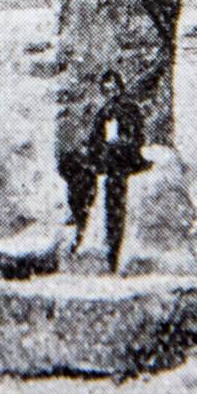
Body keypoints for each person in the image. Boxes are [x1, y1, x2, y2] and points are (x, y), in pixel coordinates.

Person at [67, 68, 149, 273]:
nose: (111, 93)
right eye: (107, 90)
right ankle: (79, 226)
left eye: (114, 89)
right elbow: (95, 139)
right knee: (79, 175)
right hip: (107, 159)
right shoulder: (104, 112)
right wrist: (94, 153)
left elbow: (136, 138)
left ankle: (114, 249)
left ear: (120, 88)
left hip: (124, 160)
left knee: (115, 189)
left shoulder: (130, 109)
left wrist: (118, 146)